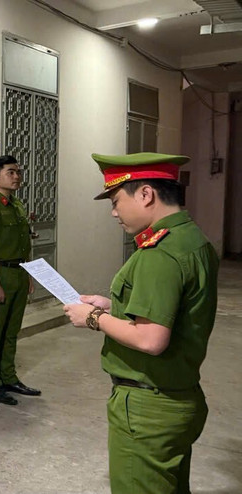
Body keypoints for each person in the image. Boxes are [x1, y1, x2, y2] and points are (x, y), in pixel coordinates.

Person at [64, 152, 219, 494]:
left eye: (116, 201)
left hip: (148, 406)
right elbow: (177, 309)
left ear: (146, 194)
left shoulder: (159, 253)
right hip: (179, 392)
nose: (114, 212)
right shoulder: (191, 239)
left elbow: (151, 339)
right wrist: (114, 305)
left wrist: (94, 318)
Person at [0, 155, 40, 406]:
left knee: (12, 330)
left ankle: (9, 376)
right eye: (11, 172)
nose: (16, 176)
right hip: (0, 272)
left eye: (18, 172)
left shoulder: (17, 205)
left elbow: (24, 243)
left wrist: (29, 275)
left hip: (19, 272)